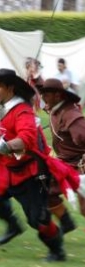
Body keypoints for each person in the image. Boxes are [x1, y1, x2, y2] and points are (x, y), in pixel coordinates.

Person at [0, 68, 81, 262]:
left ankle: (57, 250)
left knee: (38, 220)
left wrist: (7, 146)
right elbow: (3, 136)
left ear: (10, 88)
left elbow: (26, 138)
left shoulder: (22, 110)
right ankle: (13, 225)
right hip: (7, 170)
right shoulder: (3, 107)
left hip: (30, 174)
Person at [39, 78, 85, 228]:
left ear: (58, 96)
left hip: (80, 166)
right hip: (64, 165)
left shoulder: (71, 115)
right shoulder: (56, 111)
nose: (43, 97)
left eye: (46, 94)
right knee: (48, 191)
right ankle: (67, 223)